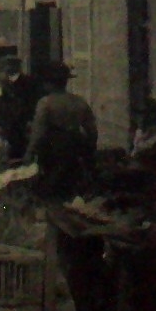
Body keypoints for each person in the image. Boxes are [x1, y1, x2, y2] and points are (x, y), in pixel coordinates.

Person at [22, 61, 98, 204]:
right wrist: (89, 150)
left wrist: (29, 153)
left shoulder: (45, 102)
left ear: (49, 83)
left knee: (51, 188)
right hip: (76, 148)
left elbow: (38, 132)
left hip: (53, 149)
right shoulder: (79, 101)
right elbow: (92, 131)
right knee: (72, 188)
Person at [0, 56, 40, 160]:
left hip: (23, 122)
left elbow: (32, 102)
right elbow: (3, 103)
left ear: (16, 67)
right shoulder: (6, 83)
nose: (6, 68)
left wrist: (30, 119)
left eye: (9, 65)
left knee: (23, 149)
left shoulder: (28, 82)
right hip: (10, 123)